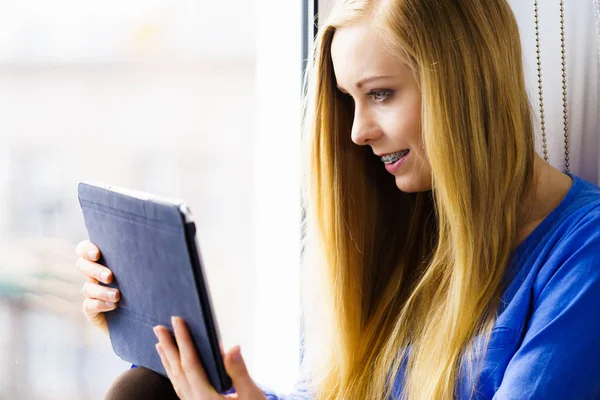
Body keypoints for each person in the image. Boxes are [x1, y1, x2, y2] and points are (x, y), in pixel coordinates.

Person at [75, 0, 600, 399]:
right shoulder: (403, 237)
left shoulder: (583, 257)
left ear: (468, 85)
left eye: (380, 94)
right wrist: (148, 322)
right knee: (141, 388)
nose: (356, 133)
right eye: (350, 99)